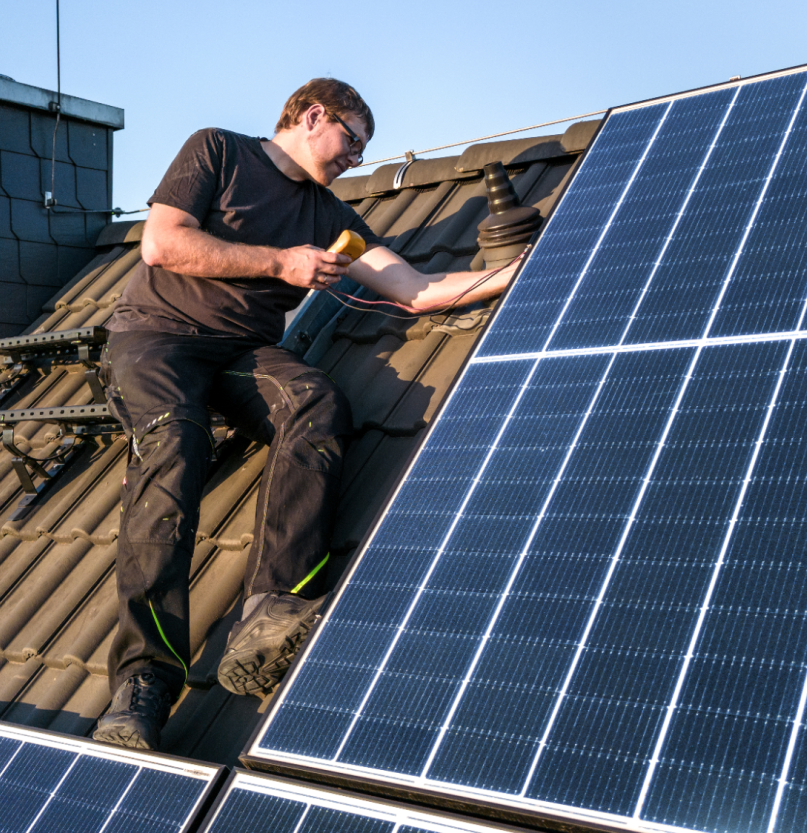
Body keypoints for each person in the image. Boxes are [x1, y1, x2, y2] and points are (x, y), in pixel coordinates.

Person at [91, 78, 521, 751]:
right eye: (352, 139)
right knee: (174, 441)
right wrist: (280, 262)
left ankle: (269, 610)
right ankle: (144, 679)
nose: (355, 157)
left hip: (242, 352)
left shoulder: (331, 220)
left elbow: (412, 288)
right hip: (157, 337)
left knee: (318, 403)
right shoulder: (218, 152)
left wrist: (515, 272)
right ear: (313, 114)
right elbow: (164, 244)